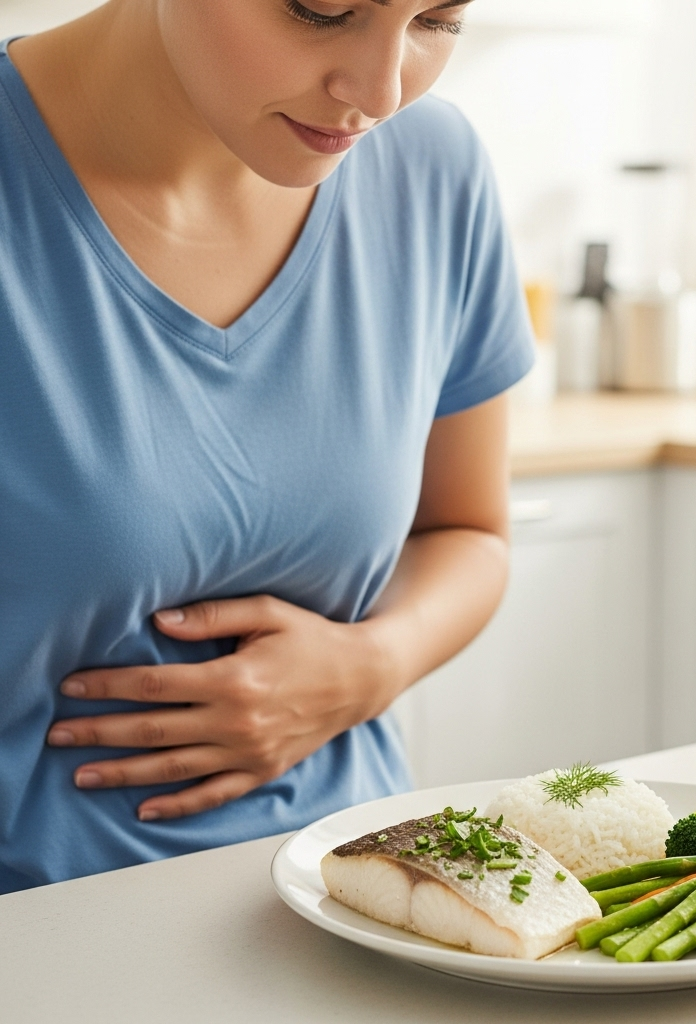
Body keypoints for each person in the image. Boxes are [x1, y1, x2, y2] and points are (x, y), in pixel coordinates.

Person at [0, 0, 534, 893]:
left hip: (362, 898)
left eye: (437, 20)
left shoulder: (431, 167)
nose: (380, 93)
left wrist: (372, 665)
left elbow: (469, 532)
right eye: (321, 9)